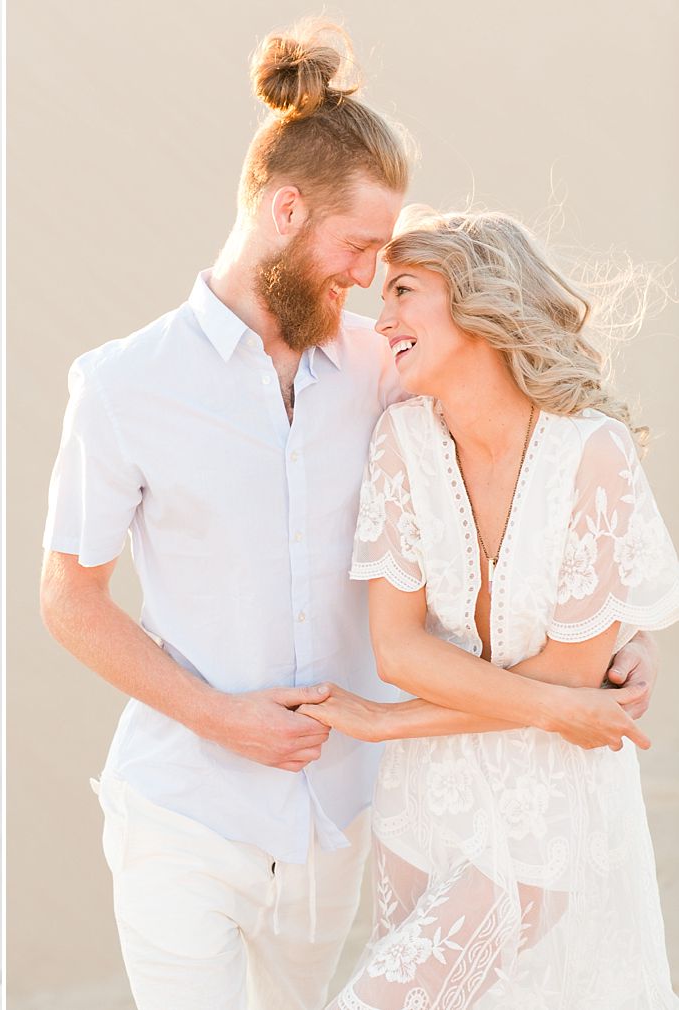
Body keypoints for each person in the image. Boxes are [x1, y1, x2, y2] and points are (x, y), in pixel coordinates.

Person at [38, 20, 659, 1010]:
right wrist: (220, 717)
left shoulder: (386, 369)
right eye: (360, 245)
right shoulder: (122, 384)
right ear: (285, 209)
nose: (369, 278)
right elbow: (70, 598)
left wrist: (601, 643)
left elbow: (513, 478)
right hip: (182, 809)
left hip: (342, 816)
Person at [294, 209, 678, 1008]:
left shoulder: (591, 453)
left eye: (404, 290)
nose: (382, 316)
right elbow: (399, 651)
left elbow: (575, 674)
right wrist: (550, 705)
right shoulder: (403, 440)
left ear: (478, 302)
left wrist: (387, 721)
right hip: (421, 808)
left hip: (547, 812)